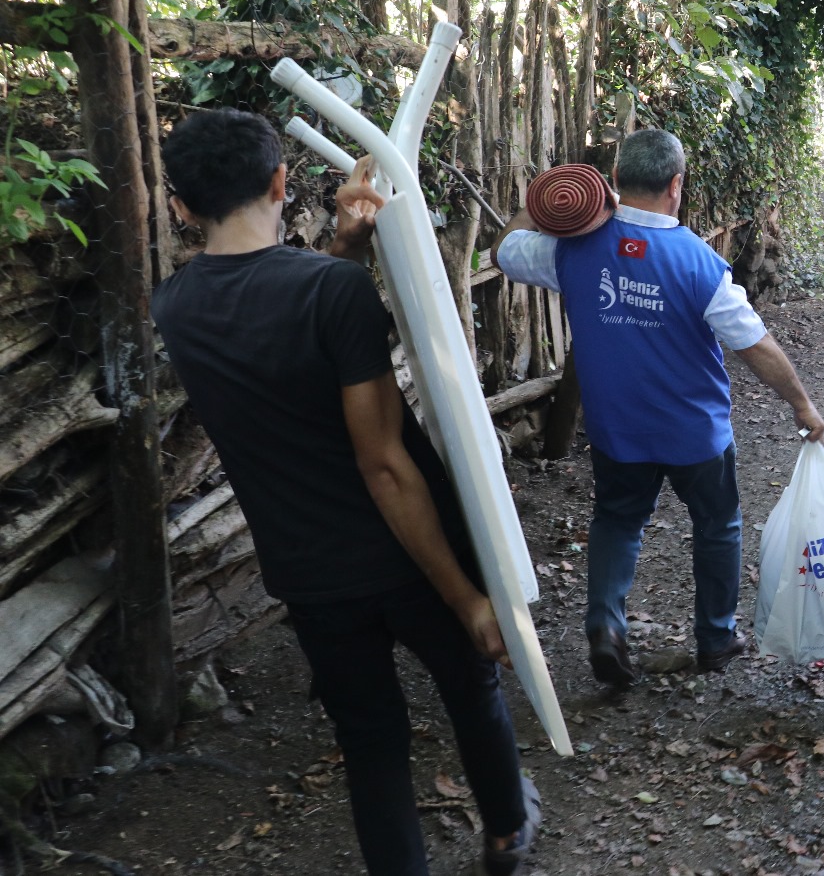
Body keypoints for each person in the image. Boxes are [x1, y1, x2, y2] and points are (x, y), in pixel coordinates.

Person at [152, 108, 540, 876]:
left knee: (371, 744)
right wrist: (464, 595)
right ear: (280, 180)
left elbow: (277, 329)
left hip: (306, 571)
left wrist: (346, 249)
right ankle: (504, 837)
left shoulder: (175, 306)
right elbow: (383, 465)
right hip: (405, 555)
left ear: (180, 207)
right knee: (470, 689)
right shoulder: (330, 291)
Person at [492, 129, 824, 687]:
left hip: (615, 429)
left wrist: (545, 202)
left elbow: (505, 251)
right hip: (695, 433)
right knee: (718, 525)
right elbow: (755, 346)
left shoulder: (571, 250)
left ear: (616, 181)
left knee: (618, 520)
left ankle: (605, 626)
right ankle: (716, 638)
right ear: (677, 185)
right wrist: (801, 404)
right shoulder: (700, 263)